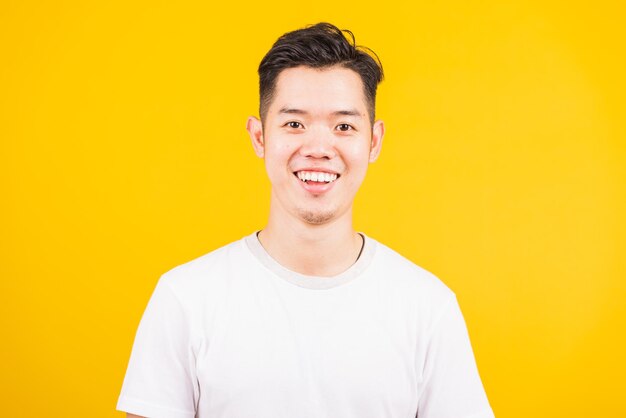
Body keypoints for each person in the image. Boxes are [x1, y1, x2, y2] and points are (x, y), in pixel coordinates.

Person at [117, 22, 494, 418]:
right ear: (260, 137)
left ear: (374, 141)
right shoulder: (186, 299)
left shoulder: (427, 307)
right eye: (294, 124)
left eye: (343, 126)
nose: (318, 148)